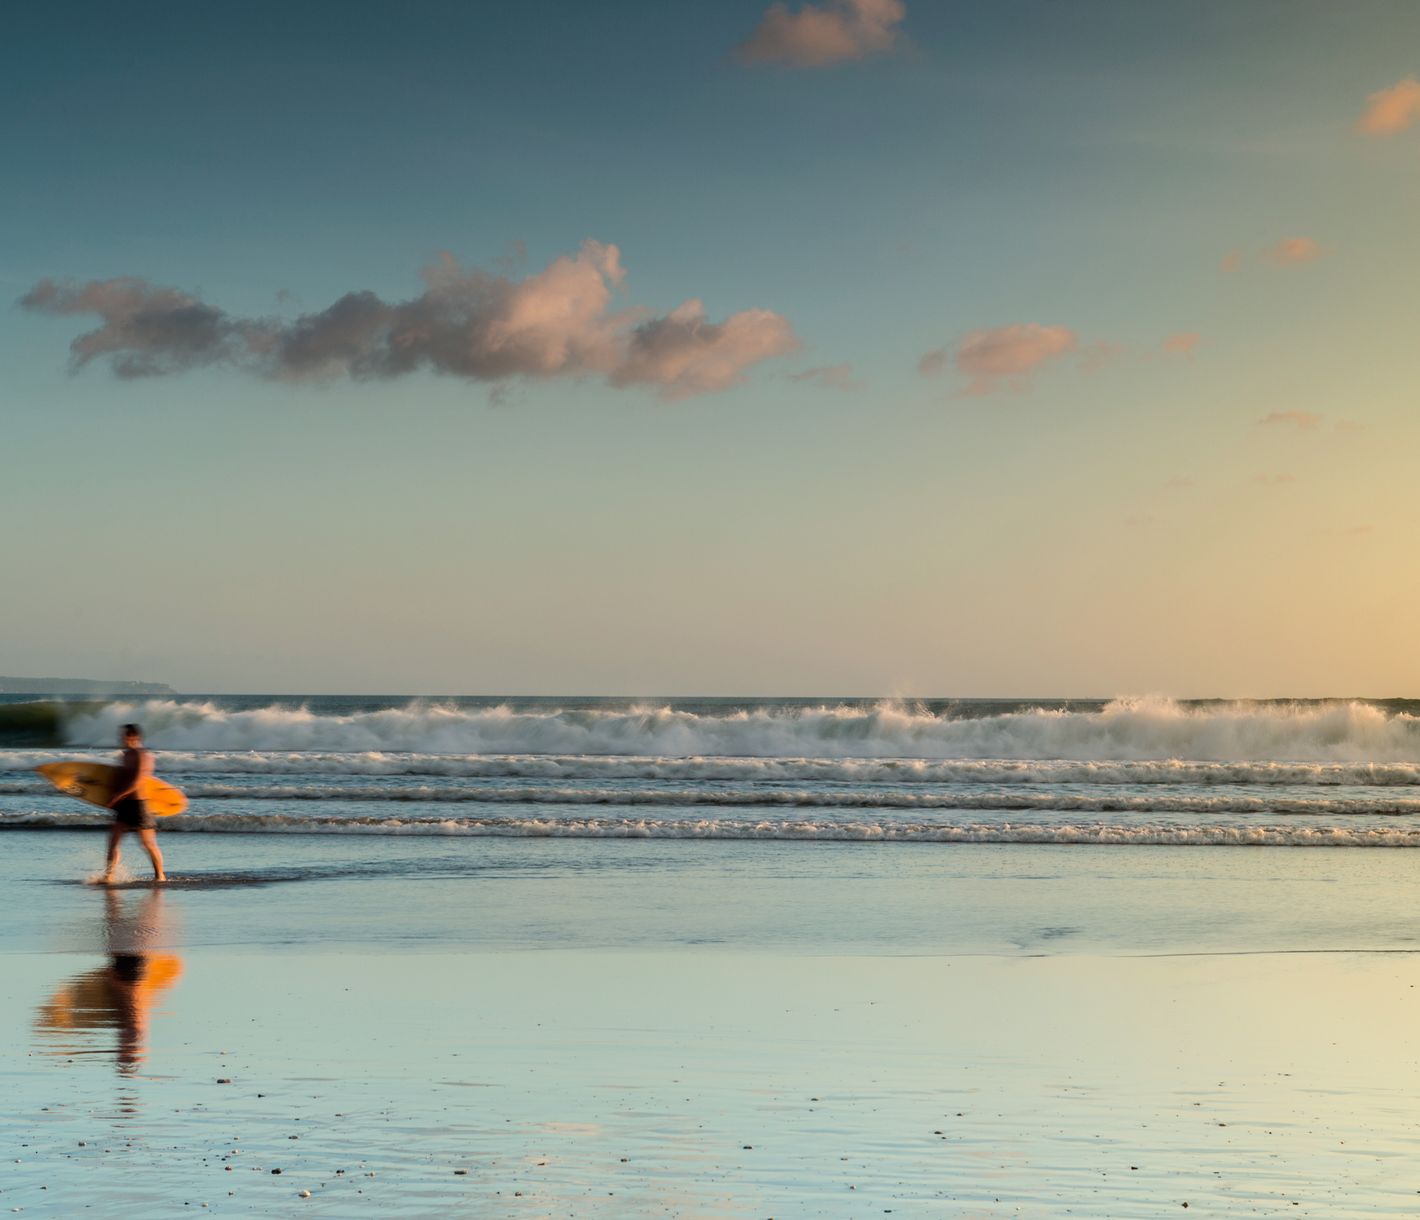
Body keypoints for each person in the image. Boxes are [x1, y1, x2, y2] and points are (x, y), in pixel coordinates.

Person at [103, 723, 166, 884]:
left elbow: (138, 782)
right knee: (113, 842)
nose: (121, 739)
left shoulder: (143, 756)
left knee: (148, 844)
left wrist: (117, 796)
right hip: (123, 804)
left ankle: (160, 876)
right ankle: (109, 876)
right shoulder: (124, 756)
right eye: (121, 736)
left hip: (139, 804)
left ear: (134, 737)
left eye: (124, 736)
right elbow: (121, 778)